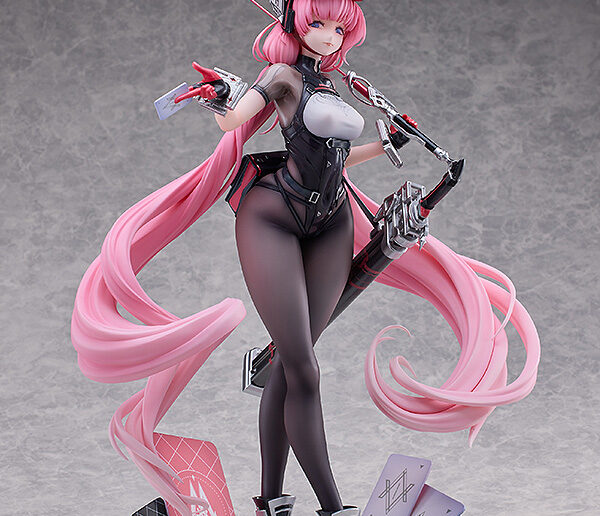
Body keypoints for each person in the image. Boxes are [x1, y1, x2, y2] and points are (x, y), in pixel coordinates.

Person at [71, 1, 540, 515]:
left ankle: (271, 501)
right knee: (304, 369)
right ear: (295, 23)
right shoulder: (282, 77)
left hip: (332, 223)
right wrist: (220, 95)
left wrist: (386, 144)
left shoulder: (331, 86)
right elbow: (234, 120)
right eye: (318, 23)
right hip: (273, 217)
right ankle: (333, 507)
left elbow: (333, 158)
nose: (329, 36)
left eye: (339, 28)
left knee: (290, 363)